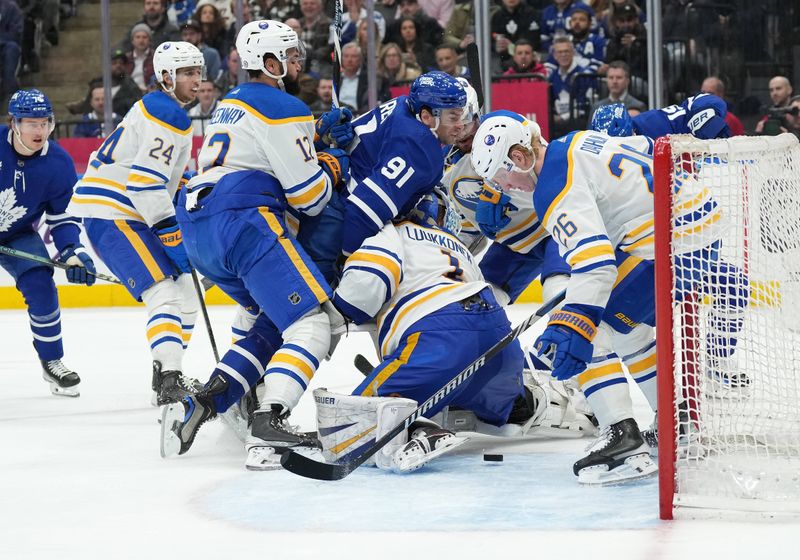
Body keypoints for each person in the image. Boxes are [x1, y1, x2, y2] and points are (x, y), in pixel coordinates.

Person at [159, 20, 347, 470]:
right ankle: (271, 414)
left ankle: (210, 399)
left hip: (200, 224)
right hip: (243, 219)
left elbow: (258, 148)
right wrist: (331, 162)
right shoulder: (285, 105)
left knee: (264, 317)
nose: (298, 61)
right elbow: (311, 198)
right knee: (314, 323)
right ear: (269, 62)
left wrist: (314, 133)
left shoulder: (229, 104)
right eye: (290, 54)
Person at [316, 187, 527, 473]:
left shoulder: (391, 234)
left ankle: (424, 428)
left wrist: (336, 308)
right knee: (477, 398)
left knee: (347, 429)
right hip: (501, 343)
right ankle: (529, 401)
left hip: (439, 341)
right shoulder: (457, 245)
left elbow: (365, 288)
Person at [68, 42, 206, 406]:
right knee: (162, 291)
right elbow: (145, 184)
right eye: (187, 73)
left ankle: (166, 368)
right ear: (165, 77)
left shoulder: (164, 110)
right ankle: (170, 380)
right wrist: (173, 235)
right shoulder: (168, 114)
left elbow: (157, 179)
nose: (196, 79)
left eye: (198, 71)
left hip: (132, 211)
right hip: (114, 213)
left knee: (189, 290)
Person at [0, 90, 95, 397]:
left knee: (41, 284)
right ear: (15, 123)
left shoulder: (58, 163)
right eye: (32, 123)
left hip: (16, 234)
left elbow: (63, 217)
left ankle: (52, 360)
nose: (39, 131)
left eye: (45, 123)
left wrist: (72, 251)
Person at [336, 42, 390, 115]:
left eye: (354, 56)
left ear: (360, 59)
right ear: (341, 58)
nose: (349, 60)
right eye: (346, 56)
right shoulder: (336, 79)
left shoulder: (371, 80)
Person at [588, 60, 645, 124]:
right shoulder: (597, 107)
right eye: (611, 77)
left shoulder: (638, 106)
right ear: (606, 80)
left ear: (627, 81)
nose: (614, 81)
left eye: (619, 77)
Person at [491, 0, 541, 71]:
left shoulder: (531, 14)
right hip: (503, 59)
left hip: (526, 61)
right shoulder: (497, 16)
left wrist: (511, 47)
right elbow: (490, 41)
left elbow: (534, 43)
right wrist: (496, 46)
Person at [125, 23, 156, 93]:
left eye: (144, 37)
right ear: (132, 41)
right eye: (138, 37)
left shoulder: (156, 57)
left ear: (149, 40)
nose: (141, 40)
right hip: (129, 94)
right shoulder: (126, 59)